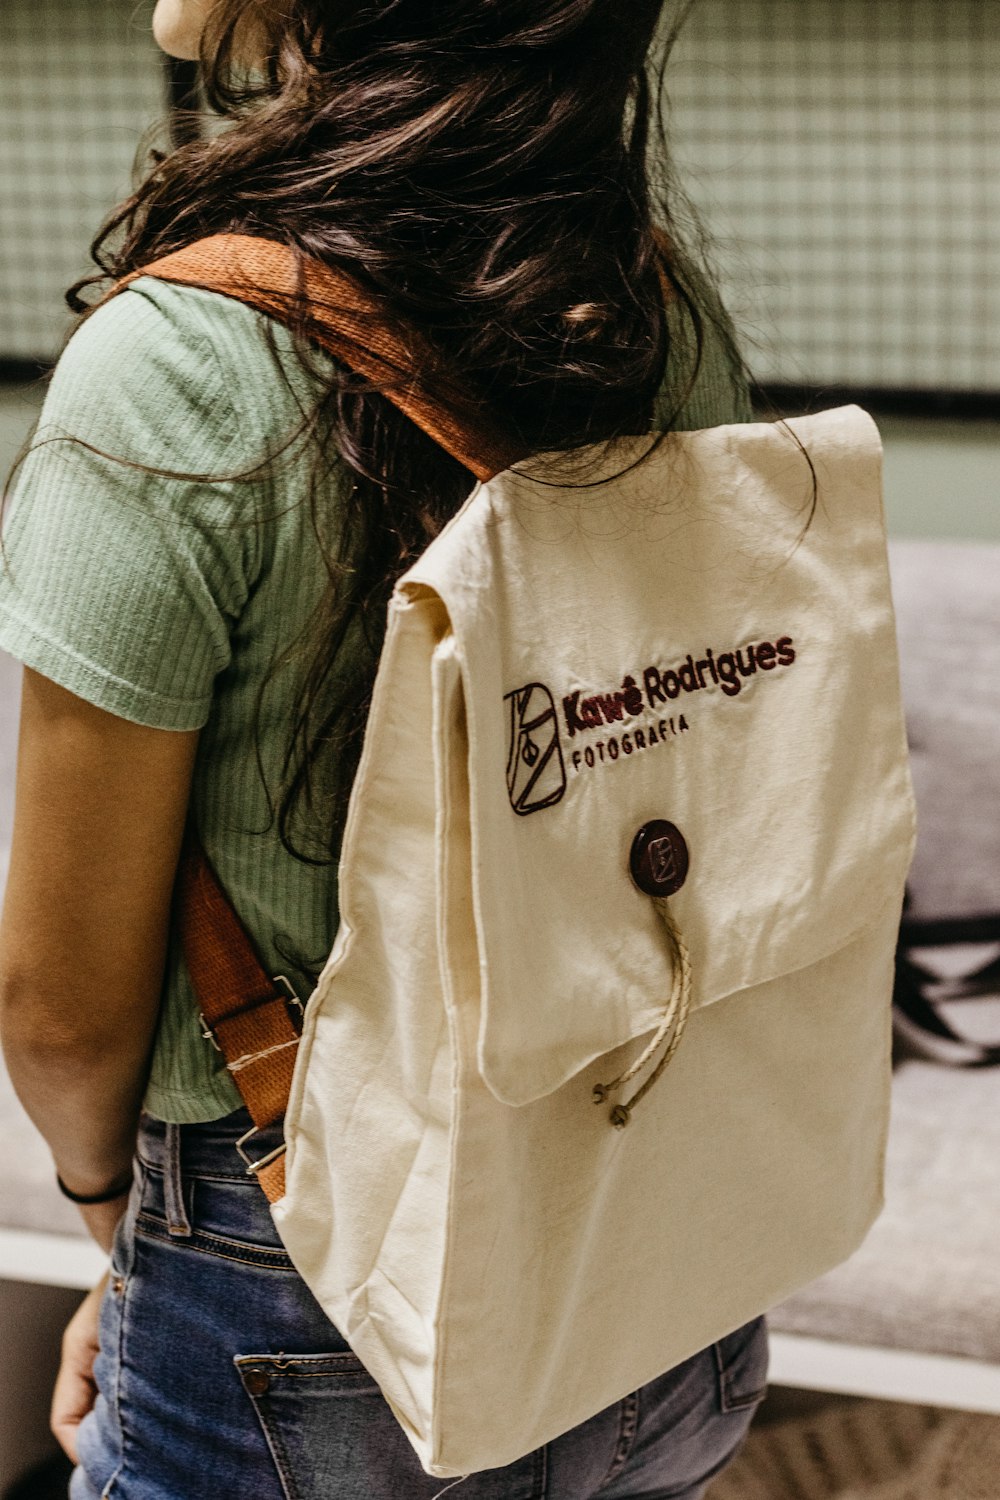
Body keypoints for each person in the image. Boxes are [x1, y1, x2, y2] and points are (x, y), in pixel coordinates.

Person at [0, 2, 769, 1495]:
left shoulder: (176, 369)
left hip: (293, 1262)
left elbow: (60, 1010)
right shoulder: (657, 323)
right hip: (661, 1248)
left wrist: (133, 1234)